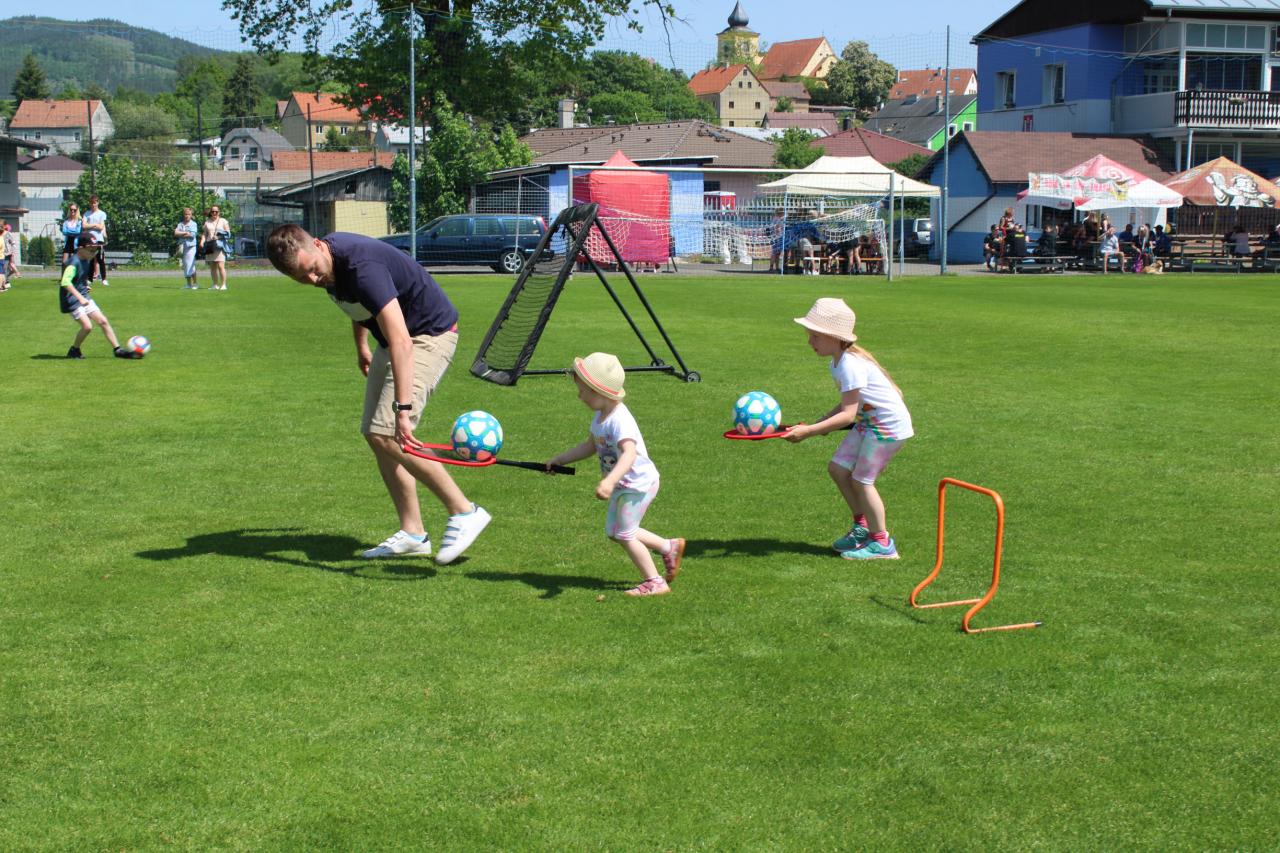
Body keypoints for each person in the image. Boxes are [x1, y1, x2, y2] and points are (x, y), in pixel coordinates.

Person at [265, 223, 490, 565]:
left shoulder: (361, 266)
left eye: (311, 270)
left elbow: (402, 340)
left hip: (427, 334)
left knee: (390, 433)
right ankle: (413, 533)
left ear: (317, 245)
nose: (312, 279)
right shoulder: (329, 268)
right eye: (301, 278)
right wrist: (362, 347)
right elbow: (357, 304)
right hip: (391, 339)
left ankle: (464, 511)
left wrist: (403, 409)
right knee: (375, 434)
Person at [545, 352, 685, 597]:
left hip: (638, 484)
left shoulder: (620, 420)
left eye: (582, 391)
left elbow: (629, 454)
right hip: (624, 485)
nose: (579, 396)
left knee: (624, 533)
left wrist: (609, 481)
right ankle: (667, 547)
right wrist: (560, 459)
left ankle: (655, 582)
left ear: (599, 391)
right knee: (615, 531)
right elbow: (590, 446)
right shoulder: (600, 417)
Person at [787, 298, 913, 560]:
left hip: (887, 427)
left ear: (834, 337)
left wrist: (809, 432)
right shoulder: (838, 362)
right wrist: (821, 422)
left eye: (815, 336)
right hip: (869, 423)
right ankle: (862, 527)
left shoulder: (849, 365)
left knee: (862, 480)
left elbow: (848, 414)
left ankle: (882, 544)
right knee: (838, 469)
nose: (810, 341)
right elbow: (848, 403)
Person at [59, 233, 140, 360]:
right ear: (80, 248)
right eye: (91, 250)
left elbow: (78, 278)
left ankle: (117, 350)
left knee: (103, 321)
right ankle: (74, 350)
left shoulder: (86, 260)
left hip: (83, 295)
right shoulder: (73, 263)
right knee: (87, 327)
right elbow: (65, 282)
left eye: (95, 250)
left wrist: (84, 286)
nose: (94, 253)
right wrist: (80, 297)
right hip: (72, 300)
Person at [202, 205, 232, 291]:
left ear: (219, 212)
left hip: (220, 246)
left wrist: (218, 237)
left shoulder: (223, 221)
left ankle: (223, 285)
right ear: (211, 212)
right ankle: (215, 285)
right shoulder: (207, 222)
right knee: (212, 267)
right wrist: (202, 241)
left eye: (216, 211)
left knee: (220, 266)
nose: (214, 213)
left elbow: (228, 234)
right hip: (210, 246)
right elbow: (204, 234)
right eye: (213, 211)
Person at [82, 196, 110, 286]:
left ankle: (104, 279)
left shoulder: (102, 214)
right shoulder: (86, 213)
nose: (93, 204)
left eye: (94, 203)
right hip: (89, 239)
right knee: (90, 259)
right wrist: (94, 225)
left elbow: (101, 227)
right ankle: (89, 279)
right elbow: (84, 226)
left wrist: (90, 225)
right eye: (91, 203)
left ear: (97, 203)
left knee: (100, 259)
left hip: (99, 240)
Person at [174, 208, 199, 289]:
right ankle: (188, 284)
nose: (187, 216)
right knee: (185, 265)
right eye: (185, 214)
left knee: (190, 264)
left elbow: (192, 235)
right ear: (183, 215)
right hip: (182, 246)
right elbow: (175, 233)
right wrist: (185, 232)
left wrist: (181, 234)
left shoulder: (193, 224)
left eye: (188, 214)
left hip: (191, 246)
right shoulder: (180, 224)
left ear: (191, 215)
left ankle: (195, 284)